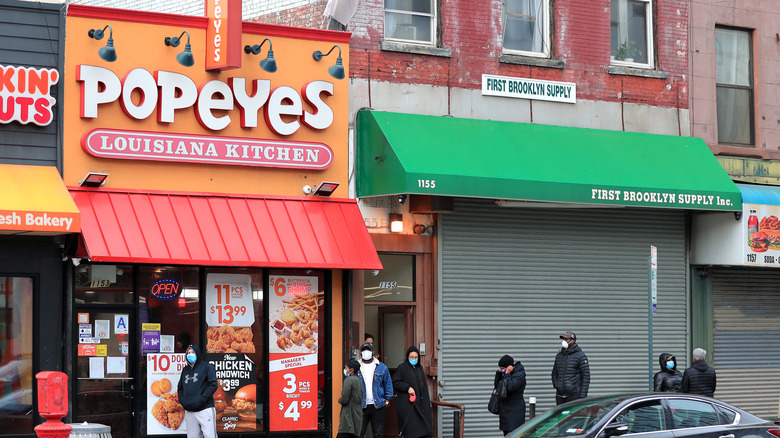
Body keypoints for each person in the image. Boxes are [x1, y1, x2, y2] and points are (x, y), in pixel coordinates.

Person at [177, 344, 219, 438]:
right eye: (188, 353)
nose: (190, 355)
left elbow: (213, 385)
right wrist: (183, 400)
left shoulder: (207, 367)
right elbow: (180, 387)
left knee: (210, 435)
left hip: (205, 409)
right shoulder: (185, 370)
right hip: (189, 411)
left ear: (198, 354)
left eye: (192, 352)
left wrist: (202, 399)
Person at [393, 346, 433, 438]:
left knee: (423, 430)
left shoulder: (419, 368)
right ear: (407, 357)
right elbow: (395, 382)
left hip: (420, 403)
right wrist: (407, 388)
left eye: (416, 357)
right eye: (411, 357)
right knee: (411, 431)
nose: (414, 359)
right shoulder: (402, 368)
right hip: (408, 405)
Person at [357, 342, 394, 438]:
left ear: (372, 352)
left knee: (378, 434)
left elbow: (388, 384)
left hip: (378, 406)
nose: (366, 352)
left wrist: (387, 400)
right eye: (364, 350)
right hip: (361, 406)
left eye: (368, 350)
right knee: (359, 433)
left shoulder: (382, 367)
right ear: (360, 352)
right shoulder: (356, 367)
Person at [551, 331, 590, 405]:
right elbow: (554, 373)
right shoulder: (559, 356)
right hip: (560, 396)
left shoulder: (580, 356)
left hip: (574, 396)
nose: (564, 341)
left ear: (573, 341)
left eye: (566, 339)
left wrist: (582, 397)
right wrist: (557, 386)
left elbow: (586, 377)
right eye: (563, 339)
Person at [494, 355, 527, 436]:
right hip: (505, 411)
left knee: (514, 434)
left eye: (502, 368)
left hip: (514, 411)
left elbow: (510, 387)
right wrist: (498, 374)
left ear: (509, 367)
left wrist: (507, 374)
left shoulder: (519, 375)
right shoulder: (506, 375)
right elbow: (498, 387)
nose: (501, 370)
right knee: (506, 435)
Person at [338, 359, 364, 438]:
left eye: (346, 368)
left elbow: (345, 399)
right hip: (357, 414)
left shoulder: (348, 380)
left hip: (348, 414)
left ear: (351, 370)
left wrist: (340, 400)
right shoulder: (359, 380)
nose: (345, 370)